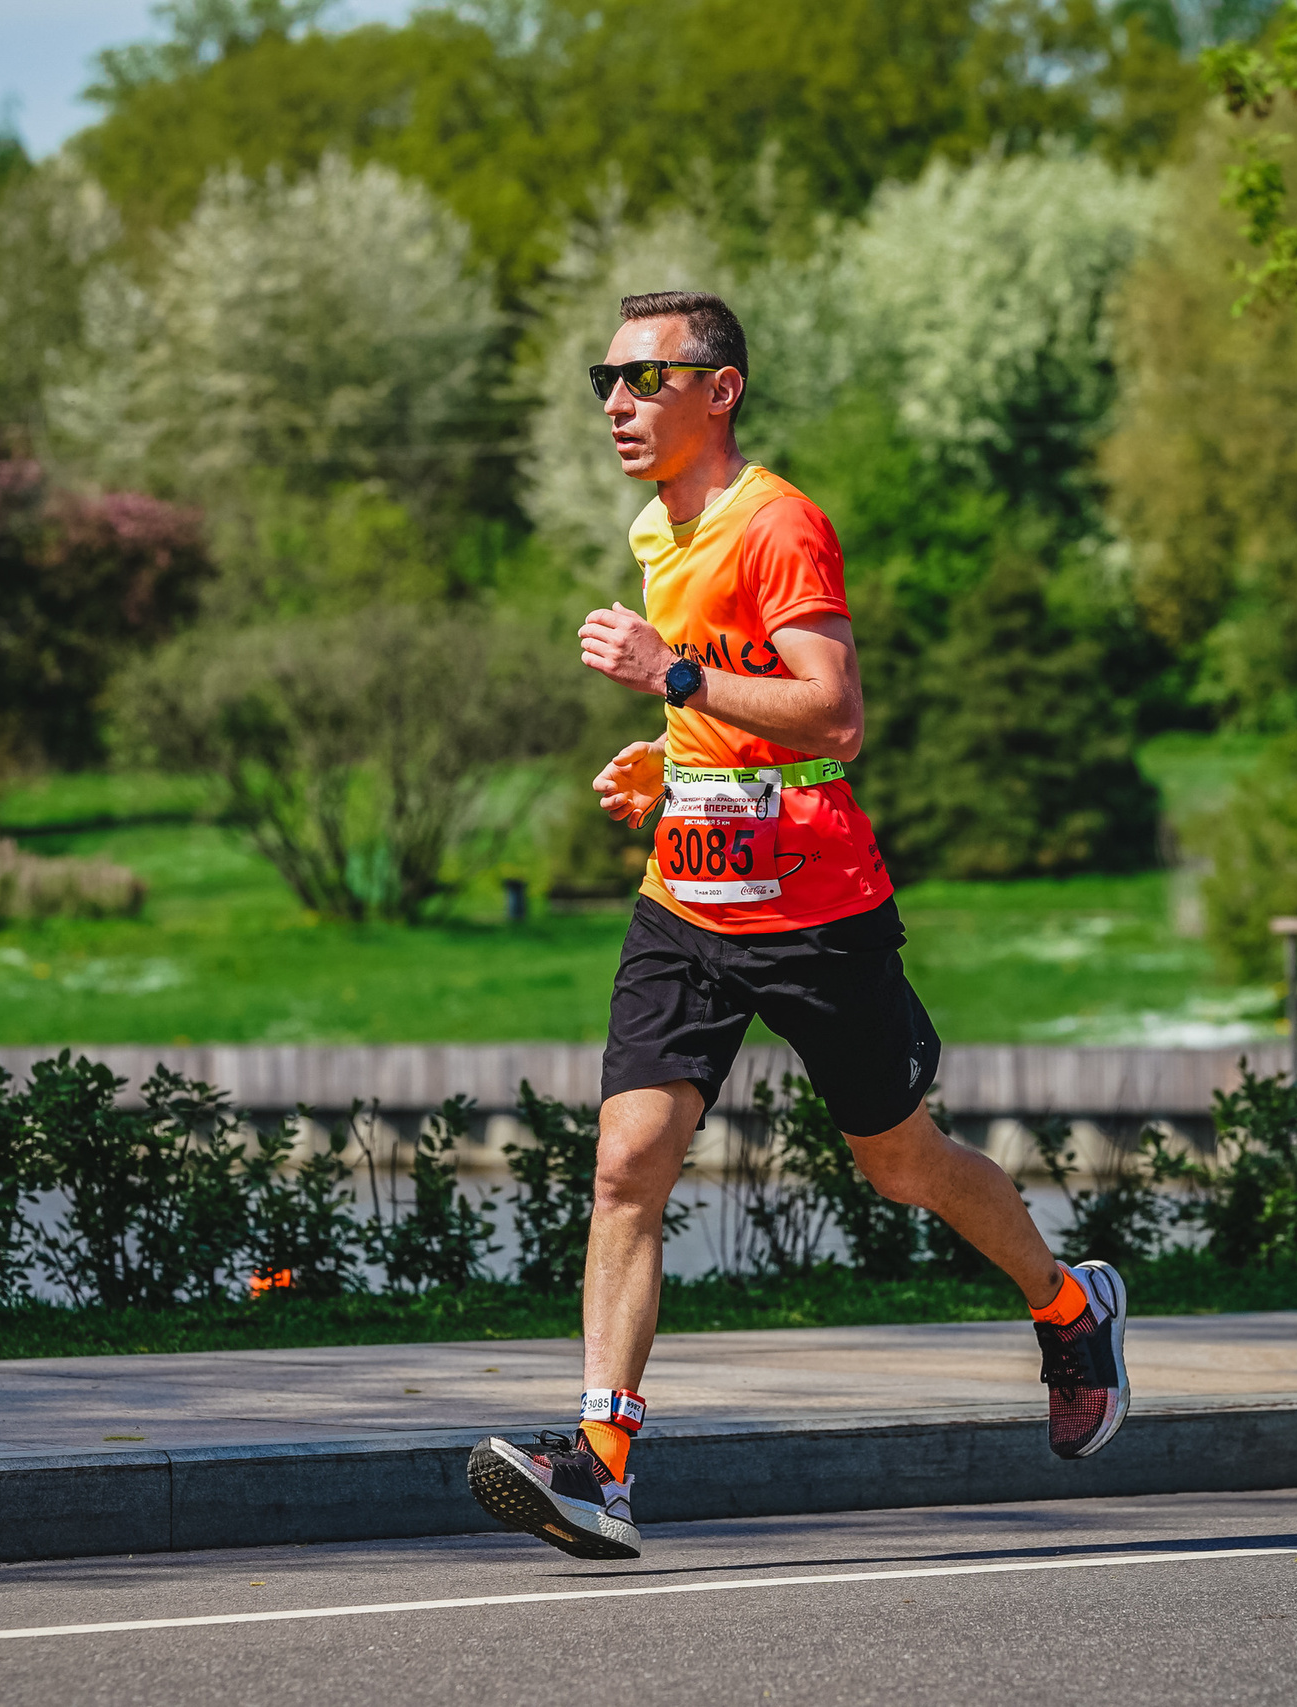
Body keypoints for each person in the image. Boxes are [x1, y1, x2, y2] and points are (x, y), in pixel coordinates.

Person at [467, 291, 1131, 1562]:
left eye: (643, 378)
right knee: (626, 1165)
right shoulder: (656, 528)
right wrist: (669, 755)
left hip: (817, 908)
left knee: (900, 1162)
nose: (615, 403)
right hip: (685, 901)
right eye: (604, 380)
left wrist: (668, 673)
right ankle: (600, 1466)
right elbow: (733, 700)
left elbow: (832, 716)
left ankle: (1065, 1307)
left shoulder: (778, 523)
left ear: (718, 390)